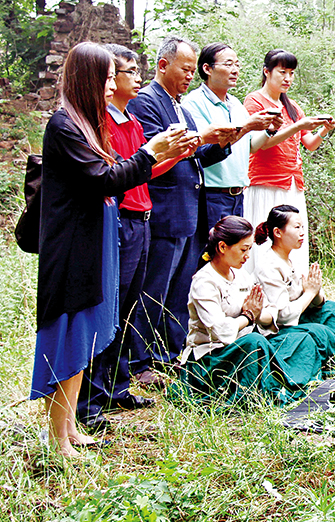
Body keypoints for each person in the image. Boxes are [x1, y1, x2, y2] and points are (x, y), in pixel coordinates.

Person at [32, 41, 188, 457]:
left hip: (94, 238)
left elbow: (117, 174)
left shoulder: (86, 124)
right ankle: (56, 436)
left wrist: (156, 155)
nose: (109, 85)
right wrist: (150, 153)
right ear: (86, 80)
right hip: (70, 246)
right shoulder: (64, 126)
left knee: (85, 333)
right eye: (104, 78)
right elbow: (104, 179)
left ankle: (69, 429)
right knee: (67, 333)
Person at [75, 44, 200, 432]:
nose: (134, 79)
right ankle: (92, 401)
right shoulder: (98, 124)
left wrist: (176, 153)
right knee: (111, 308)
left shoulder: (128, 120)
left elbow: (144, 169)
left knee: (129, 309)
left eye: (128, 72)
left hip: (143, 216)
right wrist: (156, 153)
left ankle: (117, 385)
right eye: (124, 73)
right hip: (121, 218)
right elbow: (118, 173)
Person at [127, 36, 240, 370]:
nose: (190, 76)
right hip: (163, 208)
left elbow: (195, 157)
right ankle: (140, 360)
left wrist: (222, 143)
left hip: (187, 210)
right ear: (163, 65)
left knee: (178, 290)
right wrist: (201, 139)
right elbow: (154, 154)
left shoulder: (179, 105)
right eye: (186, 69)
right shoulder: (147, 102)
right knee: (153, 291)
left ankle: (168, 353)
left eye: (193, 70)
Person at [176, 216, 308, 405]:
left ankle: (277, 383)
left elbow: (270, 312)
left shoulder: (240, 275)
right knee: (254, 341)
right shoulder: (204, 281)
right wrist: (248, 316)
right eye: (243, 250)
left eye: (250, 250)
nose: (247, 256)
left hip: (245, 346)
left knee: (299, 337)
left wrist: (256, 313)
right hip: (212, 357)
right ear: (222, 247)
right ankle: (265, 392)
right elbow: (220, 331)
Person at [253, 205, 335, 370]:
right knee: (319, 331)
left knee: (333, 311)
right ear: (278, 232)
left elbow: (317, 301)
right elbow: (282, 316)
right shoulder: (268, 266)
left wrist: (315, 290)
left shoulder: (292, 258)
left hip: (300, 316)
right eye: (296, 227)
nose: (302, 232)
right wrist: (309, 293)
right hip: (280, 329)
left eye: (303, 227)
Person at [243, 50, 335, 273]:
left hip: (293, 182)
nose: (288, 79)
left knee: (293, 238)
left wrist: (324, 129)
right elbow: (260, 143)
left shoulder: (292, 106)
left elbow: (310, 144)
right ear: (267, 72)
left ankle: (294, 290)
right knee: (265, 241)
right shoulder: (254, 101)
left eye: (292, 73)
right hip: (265, 181)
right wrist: (297, 126)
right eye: (282, 72)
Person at [181, 43, 281, 229]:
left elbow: (250, 146)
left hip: (237, 194)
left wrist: (268, 130)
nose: (235, 70)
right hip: (211, 194)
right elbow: (206, 149)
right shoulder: (193, 103)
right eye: (228, 64)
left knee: (233, 255)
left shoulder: (235, 103)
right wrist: (248, 125)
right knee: (211, 254)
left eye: (237, 65)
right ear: (207, 68)